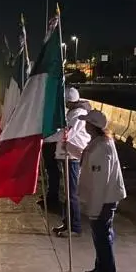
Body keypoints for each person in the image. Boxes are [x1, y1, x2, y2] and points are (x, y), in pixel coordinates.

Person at [78, 109, 127, 272]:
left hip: (103, 199)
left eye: (87, 122)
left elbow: (100, 182)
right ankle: (100, 267)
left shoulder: (101, 149)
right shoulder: (100, 142)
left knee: (102, 236)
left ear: (93, 126)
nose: (85, 125)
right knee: (100, 235)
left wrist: (95, 208)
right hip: (103, 197)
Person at [46, 87, 90, 236]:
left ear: (69, 102)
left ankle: (75, 227)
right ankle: (68, 223)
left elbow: (66, 134)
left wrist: (45, 139)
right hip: (68, 155)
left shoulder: (78, 115)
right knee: (68, 192)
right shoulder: (72, 112)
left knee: (72, 193)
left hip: (73, 157)